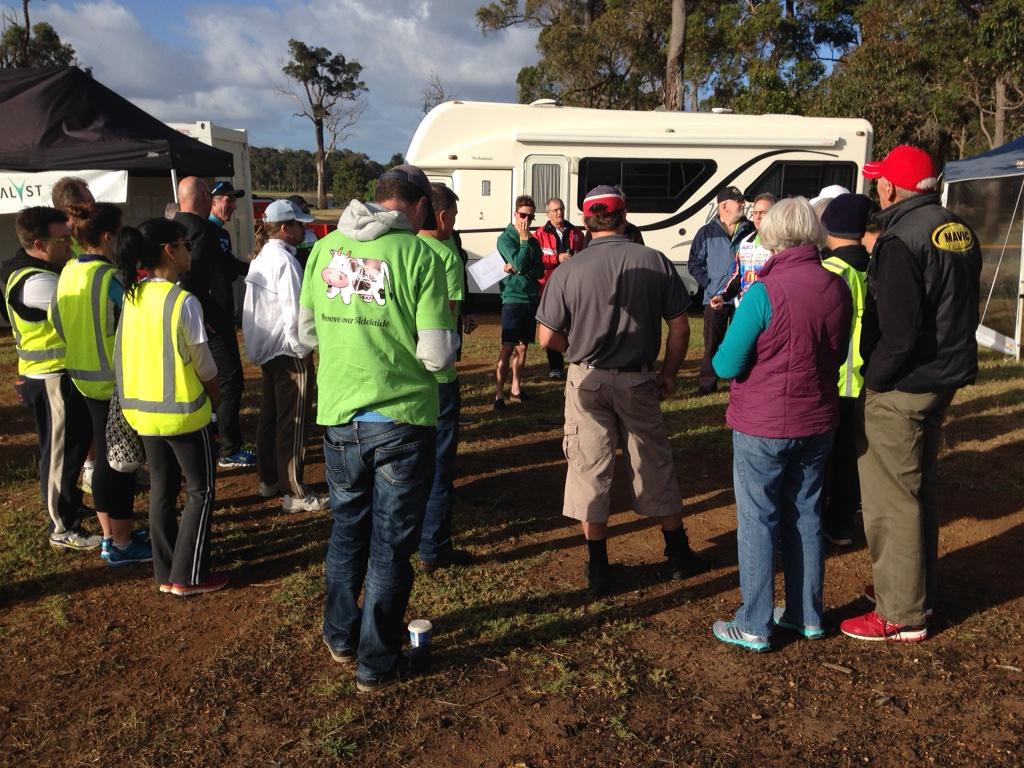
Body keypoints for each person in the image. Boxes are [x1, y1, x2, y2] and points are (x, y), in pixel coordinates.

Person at [299, 163, 457, 692]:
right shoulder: (421, 255)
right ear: (416, 207)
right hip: (402, 421)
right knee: (390, 546)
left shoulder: (324, 249)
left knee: (347, 531)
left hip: (341, 418)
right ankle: (376, 661)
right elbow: (436, 356)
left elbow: (302, 332)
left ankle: (340, 636)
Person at [537, 185, 709, 595]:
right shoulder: (654, 262)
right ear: (625, 215)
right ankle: (677, 553)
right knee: (653, 460)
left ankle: (598, 567)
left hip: (587, 379)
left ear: (585, 221)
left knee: (588, 467)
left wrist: (577, 349)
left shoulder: (567, 270)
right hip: (639, 378)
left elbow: (546, 338)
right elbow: (681, 325)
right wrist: (669, 373)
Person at [840, 145, 981, 643]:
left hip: (904, 384)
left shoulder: (900, 240)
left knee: (890, 500)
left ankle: (900, 613)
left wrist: (875, 379)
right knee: (917, 491)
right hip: (943, 377)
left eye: (880, 180)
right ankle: (912, 590)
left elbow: (898, 332)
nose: (876, 186)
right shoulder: (955, 227)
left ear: (890, 187)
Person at [710, 197, 851, 652]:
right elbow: (840, 352)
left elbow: (727, 363)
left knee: (757, 519)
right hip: (817, 420)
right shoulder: (837, 287)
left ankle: (753, 623)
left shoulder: (762, 293)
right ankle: (805, 614)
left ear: (771, 237)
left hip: (764, 423)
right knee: (805, 514)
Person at [114, 218, 224, 595]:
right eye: (185, 245)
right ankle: (189, 576)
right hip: (183, 414)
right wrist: (216, 395)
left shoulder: (133, 295)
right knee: (200, 491)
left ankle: (166, 573)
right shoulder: (183, 301)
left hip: (143, 413)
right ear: (169, 250)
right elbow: (203, 362)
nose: (189, 252)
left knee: (162, 491)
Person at [52, 202, 150, 566]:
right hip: (112, 379)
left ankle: (112, 534)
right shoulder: (109, 278)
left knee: (109, 457)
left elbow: (56, 319)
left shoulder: (67, 272)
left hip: (81, 376)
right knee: (119, 462)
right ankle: (121, 544)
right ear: (108, 237)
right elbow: (135, 320)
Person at [2, 207, 100, 551]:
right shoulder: (36, 281)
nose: (70, 243)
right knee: (59, 452)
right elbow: (84, 308)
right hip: (49, 378)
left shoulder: (42, 269)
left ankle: (68, 504)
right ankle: (62, 526)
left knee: (72, 446)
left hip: (59, 375)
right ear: (40, 243)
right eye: (63, 238)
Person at [242, 199, 324, 513]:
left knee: (272, 417)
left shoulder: (261, 257)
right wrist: (303, 350)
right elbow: (294, 312)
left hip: (268, 350)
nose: (304, 229)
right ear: (285, 228)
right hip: (289, 350)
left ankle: (270, 480)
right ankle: (295, 490)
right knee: (293, 421)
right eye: (300, 224)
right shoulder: (286, 262)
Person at [174, 177, 254, 469]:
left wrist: (256, 267)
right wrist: (205, 316)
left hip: (193, 317)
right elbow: (192, 281)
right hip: (207, 319)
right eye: (226, 199)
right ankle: (228, 446)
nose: (231, 205)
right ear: (209, 198)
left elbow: (226, 265)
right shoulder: (202, 231)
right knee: (229, 378)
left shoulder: (190, 229)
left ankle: (209, 436)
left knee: (203, 378)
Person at [415, 183, 474, 573]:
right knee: (439, 465)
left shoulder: (402, 249)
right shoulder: (446, 253)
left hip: (405, 373)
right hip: (438, 377)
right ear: (440, 217)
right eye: (452, 216)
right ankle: (434, 548)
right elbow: (450, 307)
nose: (454, 224)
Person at [819, 194, 873, 546]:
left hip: (836, 378)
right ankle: (843, 523)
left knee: (825, 459)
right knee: (853, 458)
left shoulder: (831, 271)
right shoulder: (876, 264)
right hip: (869, 378)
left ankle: (830, 524)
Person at [687, 186, 754, 396]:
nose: (743, 204)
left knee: (741, 341)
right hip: (714, 300)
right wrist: (711, 285)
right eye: (739, 201)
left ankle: (740, 383)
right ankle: (707, 384)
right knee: (711, 344)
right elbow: (694, 264)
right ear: (725, 205)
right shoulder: (706, 232)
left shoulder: (751, 230)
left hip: (743, 300)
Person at [494, 195, 544, 409]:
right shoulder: (506, 239)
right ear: (515, 214)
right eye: (523, 215)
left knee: (523, 347)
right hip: (513, 298)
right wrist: (523, 243)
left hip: (530, 298)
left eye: (531, 216)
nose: (527, 220)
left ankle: (516, 388)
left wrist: (521, 268)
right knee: (507, 347)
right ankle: (498, 394)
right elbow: (521, 263)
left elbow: (539, 270)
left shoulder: (533, 241)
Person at [534, 197, 586, 380]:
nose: (559, 213)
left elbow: (587, 257)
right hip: (549, 289)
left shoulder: (577, 233)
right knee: (552, 326)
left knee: (575, 326)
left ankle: (576, 360)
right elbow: (535, 261)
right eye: (555, 210)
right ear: (548, 214)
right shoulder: (539, 235)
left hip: (574, 288)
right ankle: (555, 367)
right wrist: (556, 259)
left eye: (561, 209)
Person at [726, 193, 775, 303]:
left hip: (770, 307)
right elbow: (737, 275)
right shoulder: (745, 242)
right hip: (746, 304)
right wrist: (722, 296)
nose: (757, 217)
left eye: (763, 213)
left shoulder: (781, 244)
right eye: (755, 213)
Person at [287, 194, 318, 267]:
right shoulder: (285, 239)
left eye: (307, 210)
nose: (307, 212)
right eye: (303, 210)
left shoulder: (313, 237)